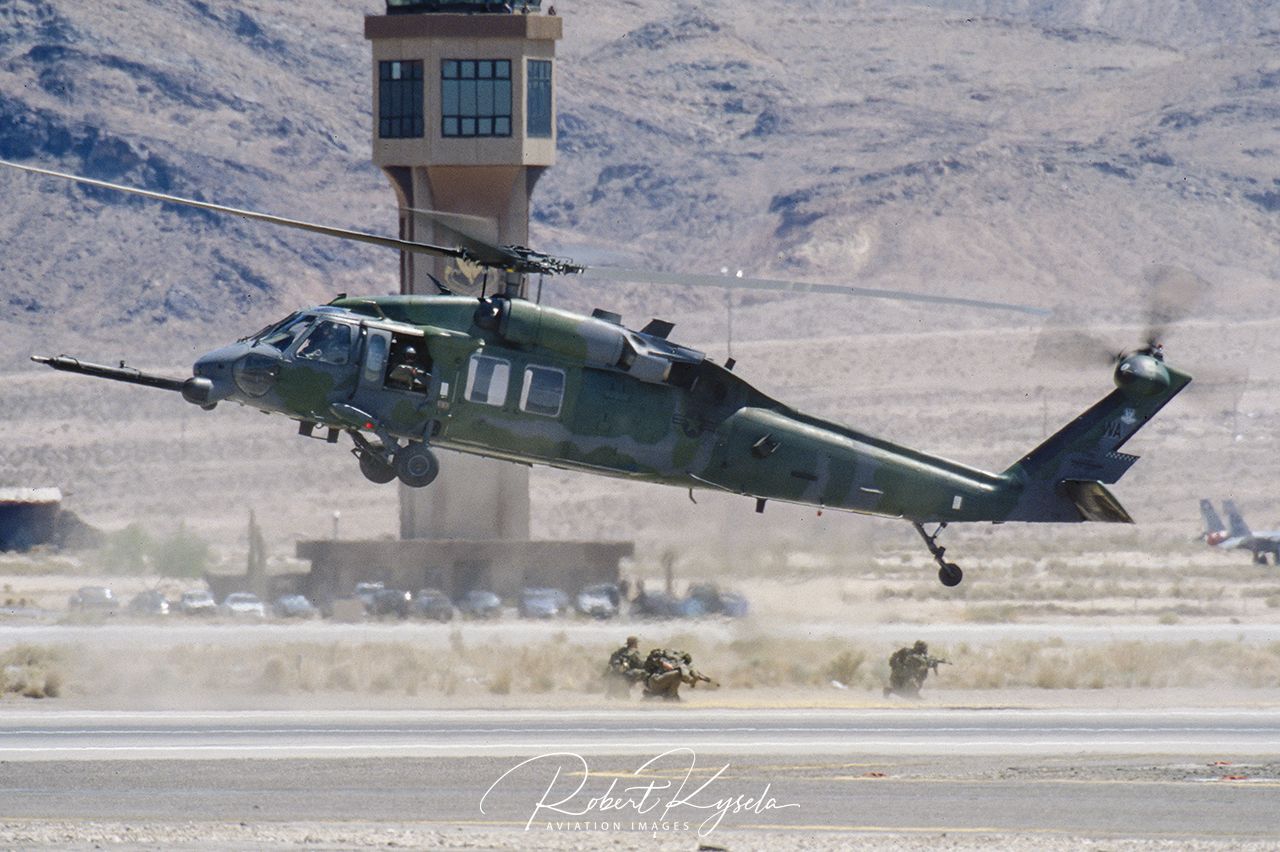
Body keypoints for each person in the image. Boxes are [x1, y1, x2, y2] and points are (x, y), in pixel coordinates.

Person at [641, 648, 711, 701]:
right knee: (678, 674)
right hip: (656, 681)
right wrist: (692, 680)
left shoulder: (670, 660)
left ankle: (671, 697)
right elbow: (685, 677)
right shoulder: (678, 664)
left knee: (677, 676)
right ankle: (669, 697)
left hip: (656, 684)